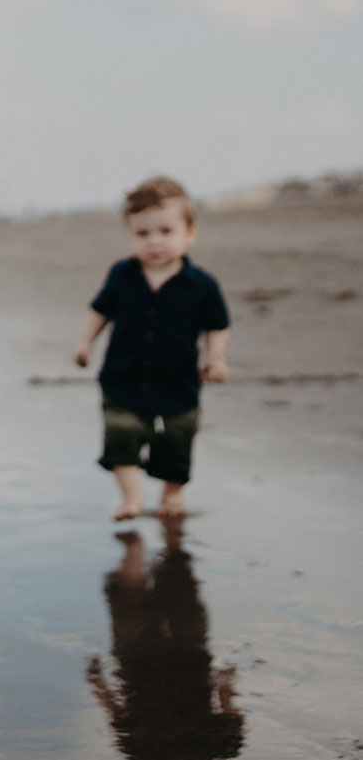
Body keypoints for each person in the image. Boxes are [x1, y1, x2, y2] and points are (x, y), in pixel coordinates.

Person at [73, 176, 230, 521]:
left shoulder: (202, 285)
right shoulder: (122, 275)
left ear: (189, 233)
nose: (154, 241)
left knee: (177, 441)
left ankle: (172, 494)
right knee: (120, 437)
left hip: (178, 383)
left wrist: (216, 359)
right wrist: (85, 343)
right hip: (123, 379)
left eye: (166, 231)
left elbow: (217, 326)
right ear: (130, 235)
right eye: (142, 233)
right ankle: (132, 496)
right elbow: (100, 311)